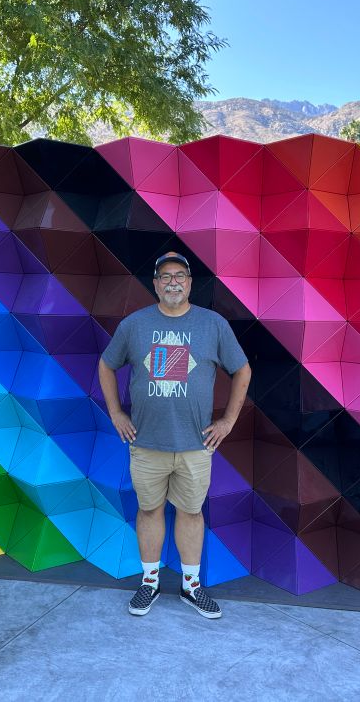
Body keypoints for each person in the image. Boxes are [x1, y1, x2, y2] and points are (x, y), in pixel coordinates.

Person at [98, 252, 251, 619]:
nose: (173, 283)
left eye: (180, 276)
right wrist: (117, 412)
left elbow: (242, 370)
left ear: (190, 282)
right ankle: (149, 583)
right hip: (147, 443)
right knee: (149, 509)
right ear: (155, 283)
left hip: (196, 445)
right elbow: (106, 364)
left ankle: (190, 587)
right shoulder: (135, 325)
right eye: (165, 276)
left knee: (191, 511)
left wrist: (228, 420)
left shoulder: (212, 324)